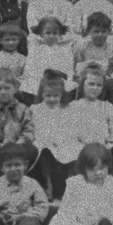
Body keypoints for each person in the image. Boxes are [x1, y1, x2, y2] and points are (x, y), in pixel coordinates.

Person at [0, 70, 37, 180]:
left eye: (7, 88)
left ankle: (20, 179)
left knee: (32, 149)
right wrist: (0, 142)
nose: (3, 92)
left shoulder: (23, 108)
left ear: (14, 89)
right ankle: (0, 179)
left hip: (17, 146)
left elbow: (29, 129)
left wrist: (20, 142)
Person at [31, 70, 74, 199]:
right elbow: (34, 128)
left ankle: (67, 185)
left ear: (61, 95)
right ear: (42, 94)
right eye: (48, 96)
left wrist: (59, 139)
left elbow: (68, 129)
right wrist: (46, 139)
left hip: (60, 142)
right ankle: (47, 182)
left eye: (56, 96)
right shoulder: (36, 109)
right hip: (42, 142)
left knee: (71, 151)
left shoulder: (65, 110)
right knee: (44, 151)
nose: (52, 99)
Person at [73, 12, 113, 111]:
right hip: (86, 78)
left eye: (103, 31)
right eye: (96, 31)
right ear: (89, 31)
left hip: (106, 79)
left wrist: (111, 75)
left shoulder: (112, 49)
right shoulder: (82, 47)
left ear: (108, 32)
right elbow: (75, 66)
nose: (100, 35)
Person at [20, 17, 74, 101]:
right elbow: (30, 69)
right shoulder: (36, 50)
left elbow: (68, 70)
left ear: (60, 35)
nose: (51, 36)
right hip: (38, 80)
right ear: (41, 34)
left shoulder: (64, 51)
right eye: (48, 33)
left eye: (55, 33)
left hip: (57, 81)